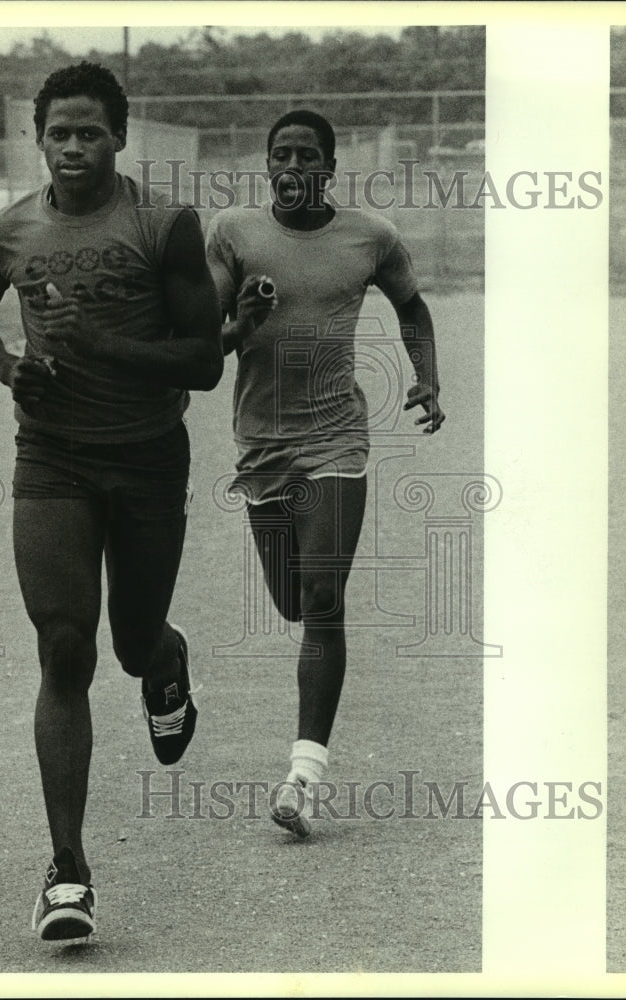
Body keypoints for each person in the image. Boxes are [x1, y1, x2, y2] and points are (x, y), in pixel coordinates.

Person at [0, 62, 223, 941]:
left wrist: (101, 342)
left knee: (134, 644)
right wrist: (10, 370)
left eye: (90, 131)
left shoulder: (164, 226)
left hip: (148, 460)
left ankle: (167, 657)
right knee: (66, 649)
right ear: (40, 139)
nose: (74, 146)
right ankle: (67, 871)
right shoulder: (7, 233)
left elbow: (203, 361)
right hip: (54, 460)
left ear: (119, 137)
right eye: (58, 132)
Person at [206, 109, 445, 838]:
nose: (292, 167)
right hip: (261, 446)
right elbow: (202, 345)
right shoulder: (235, 235)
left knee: (321, 598)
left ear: (329, 169)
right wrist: (239, 319)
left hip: (337, 439)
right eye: (281, 154)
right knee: (290, 600)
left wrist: (426, 379)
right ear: (266, 164)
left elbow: (414, 308)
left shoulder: (369, 237)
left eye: (307, 156)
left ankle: (303, 777)